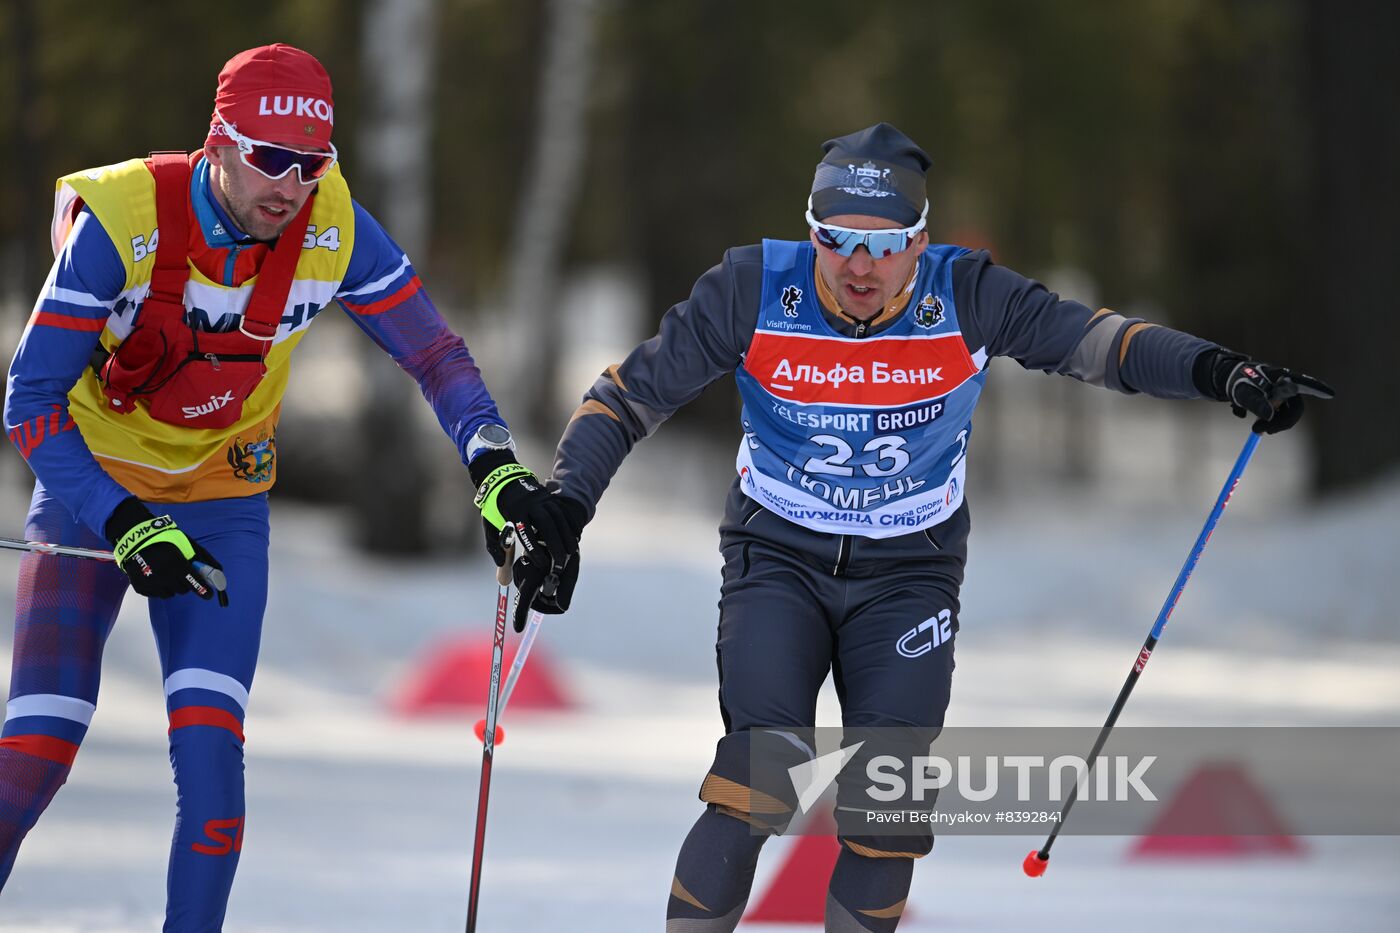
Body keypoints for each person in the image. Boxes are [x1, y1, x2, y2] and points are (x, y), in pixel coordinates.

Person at [545, 122, 1333, 932]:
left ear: (922, 239)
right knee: (760, 776)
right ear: (810, 231)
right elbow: (626, 396)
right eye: (837, 240)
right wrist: (567, 505)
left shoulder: (966, 294)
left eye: (885, 246)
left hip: (909, 572)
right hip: (777, 556)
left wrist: (1220, 371)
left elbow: (1101, 345)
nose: (858, 265)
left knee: (886, 808)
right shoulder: (751, 287)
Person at [0, 44, 578, 930]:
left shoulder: (333, 224)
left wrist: (493, 466)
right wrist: (121, 521)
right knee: (32, 755)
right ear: (219, 142)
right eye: (270, 160)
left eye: (313, 164)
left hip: (223, 503)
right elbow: (29, 400)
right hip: (96, 491)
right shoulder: (124, 220)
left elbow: (434, 353)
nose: (291, 186)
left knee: (214, 783)